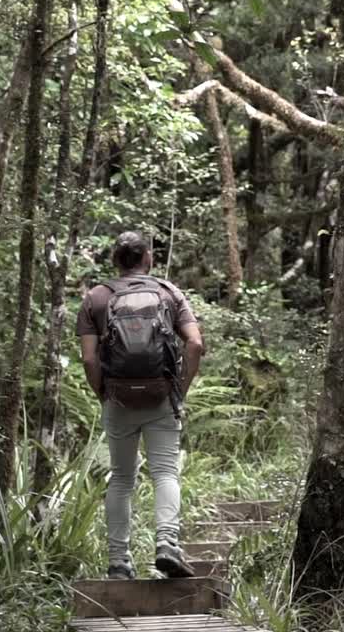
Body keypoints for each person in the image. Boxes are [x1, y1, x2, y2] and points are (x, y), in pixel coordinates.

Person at [76, 231, 205, 580]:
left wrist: (102, 392)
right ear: (148, 257)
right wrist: (181, 388)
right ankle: (167, 544)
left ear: (115, 260)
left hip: (117, 398)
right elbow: (194, 345)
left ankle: (119, 562)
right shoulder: (169, 292)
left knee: (121, 478)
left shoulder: (96, 298)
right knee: (165, 472)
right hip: (161, 396)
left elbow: (89, 360)